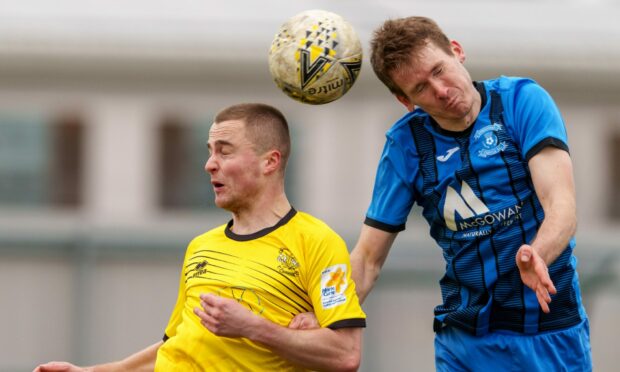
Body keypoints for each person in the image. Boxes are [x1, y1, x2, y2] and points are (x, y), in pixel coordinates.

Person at [34, 103, 366, 372]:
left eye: (225, 152)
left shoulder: (317, 241)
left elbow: (345, 354)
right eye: (210, 151)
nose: (209, 164)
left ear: (270, 161)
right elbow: (178, 345)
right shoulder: (201, 246)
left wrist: (253, 327)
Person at [349, 16, 592, 371]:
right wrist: (325, 319)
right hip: (465, 340)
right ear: (405, 100)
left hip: (549, 328)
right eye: (421, 88)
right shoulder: (405, 146)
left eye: (439, 70)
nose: (442, 91)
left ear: (457, 51)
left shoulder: (521, 101)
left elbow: (561, 203)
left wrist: (536, 254)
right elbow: (368, 259)